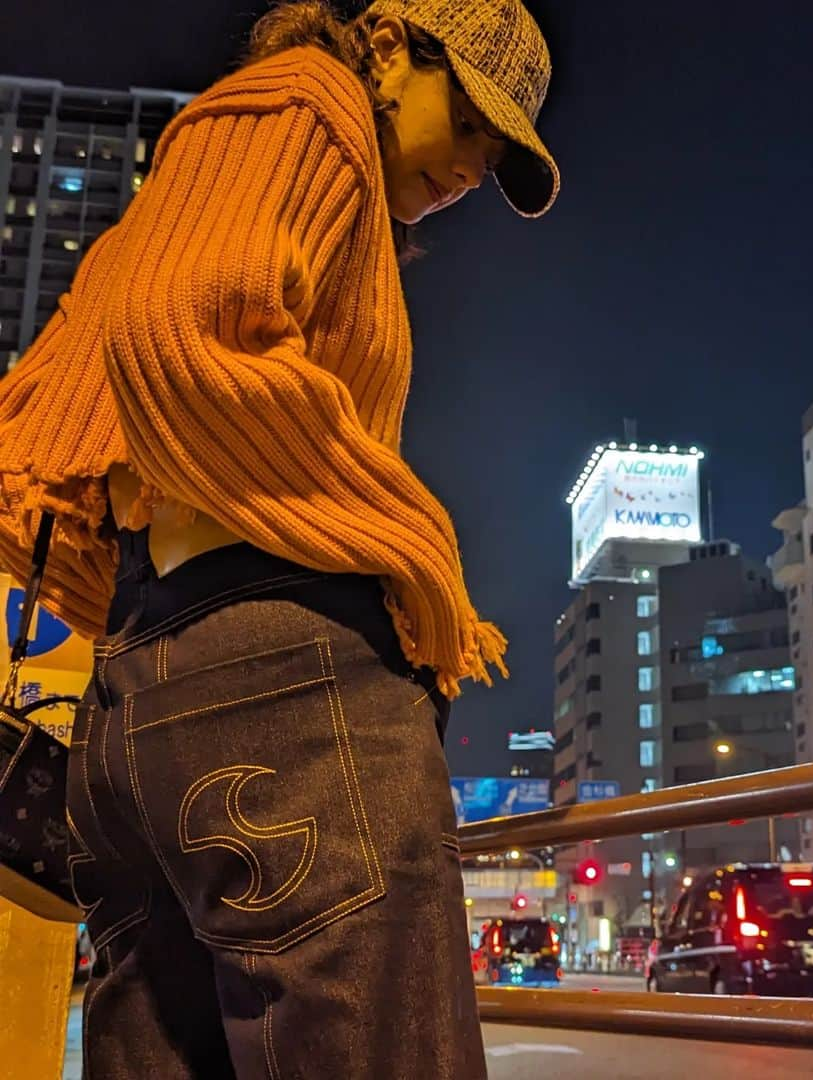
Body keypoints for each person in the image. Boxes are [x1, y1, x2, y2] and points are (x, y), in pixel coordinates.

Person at [0, 0, 559, 1075]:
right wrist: (409, 540)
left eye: (500, 158)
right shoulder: (309, 105)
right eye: (478, 120)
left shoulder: (243, 148)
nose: (479, 168)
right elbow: (177, 328)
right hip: (283, 669)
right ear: (392, 46)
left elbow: (80, 395)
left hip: (150, 673)